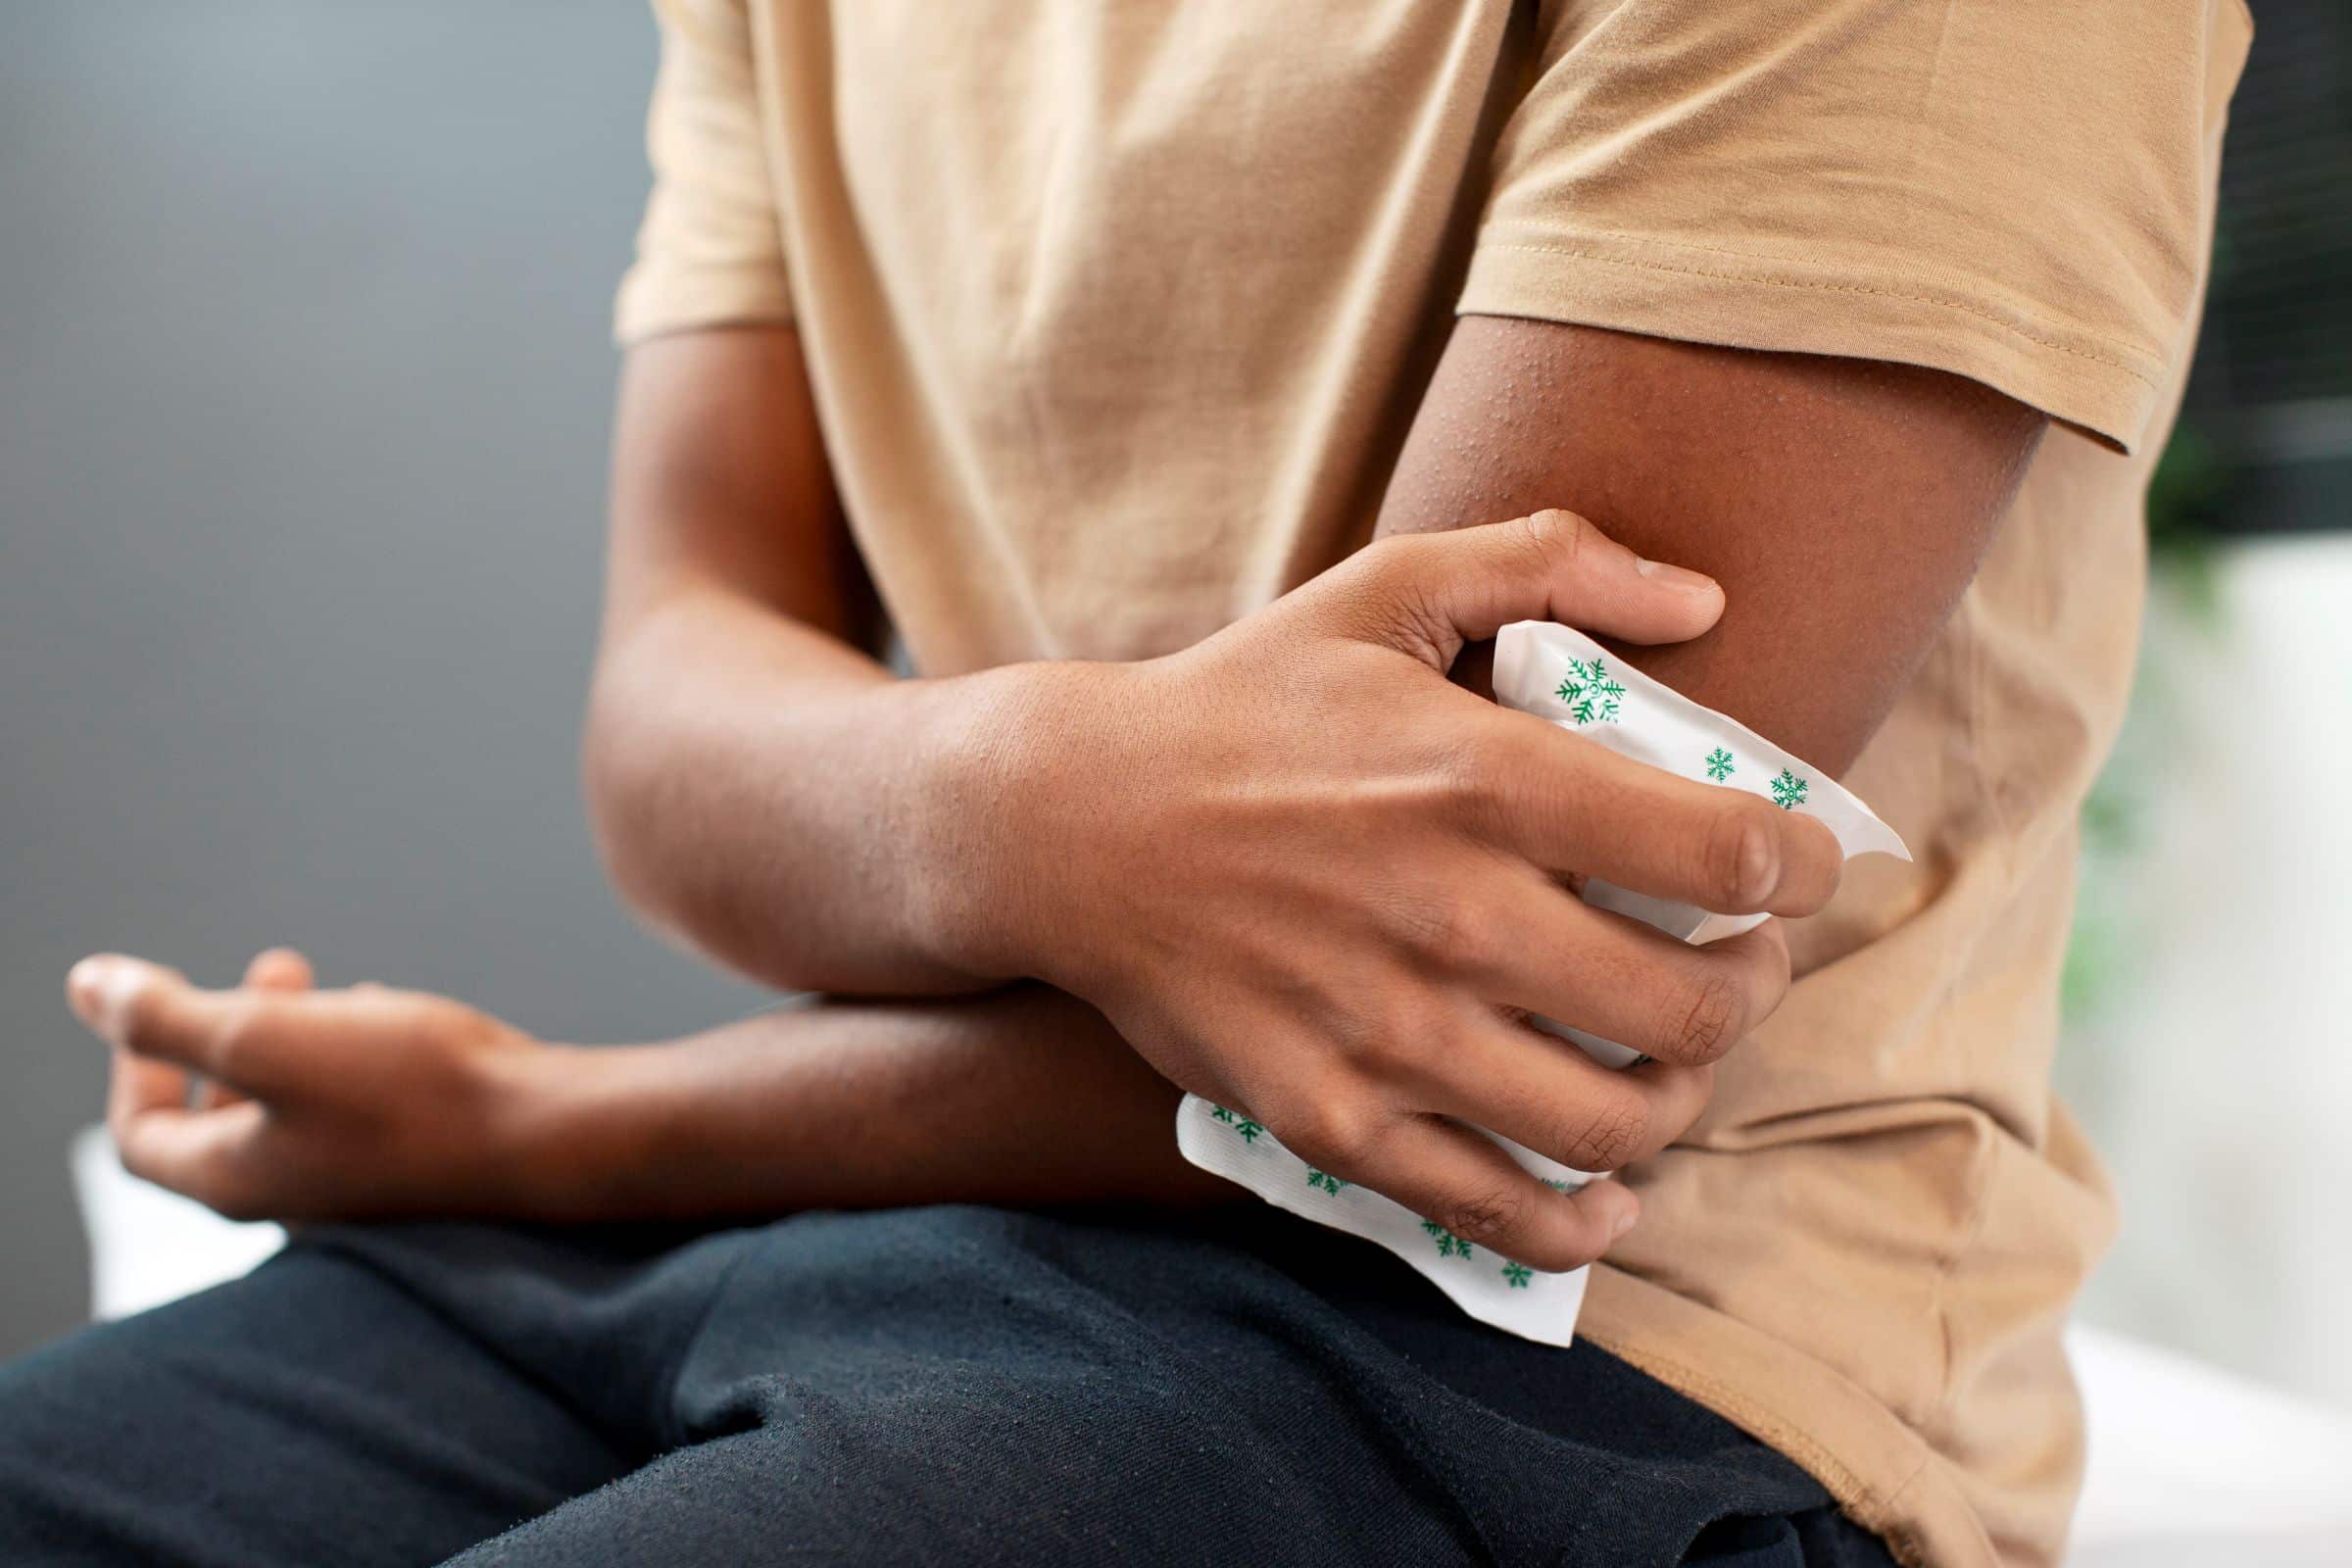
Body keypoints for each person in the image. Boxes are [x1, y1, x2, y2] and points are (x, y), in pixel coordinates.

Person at [0, 3, 2248, 1564]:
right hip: (836, 1235)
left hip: (1563, 1366)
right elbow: (666, 731)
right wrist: (1059, 793)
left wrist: (552, 1125)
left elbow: (1468, 1017)